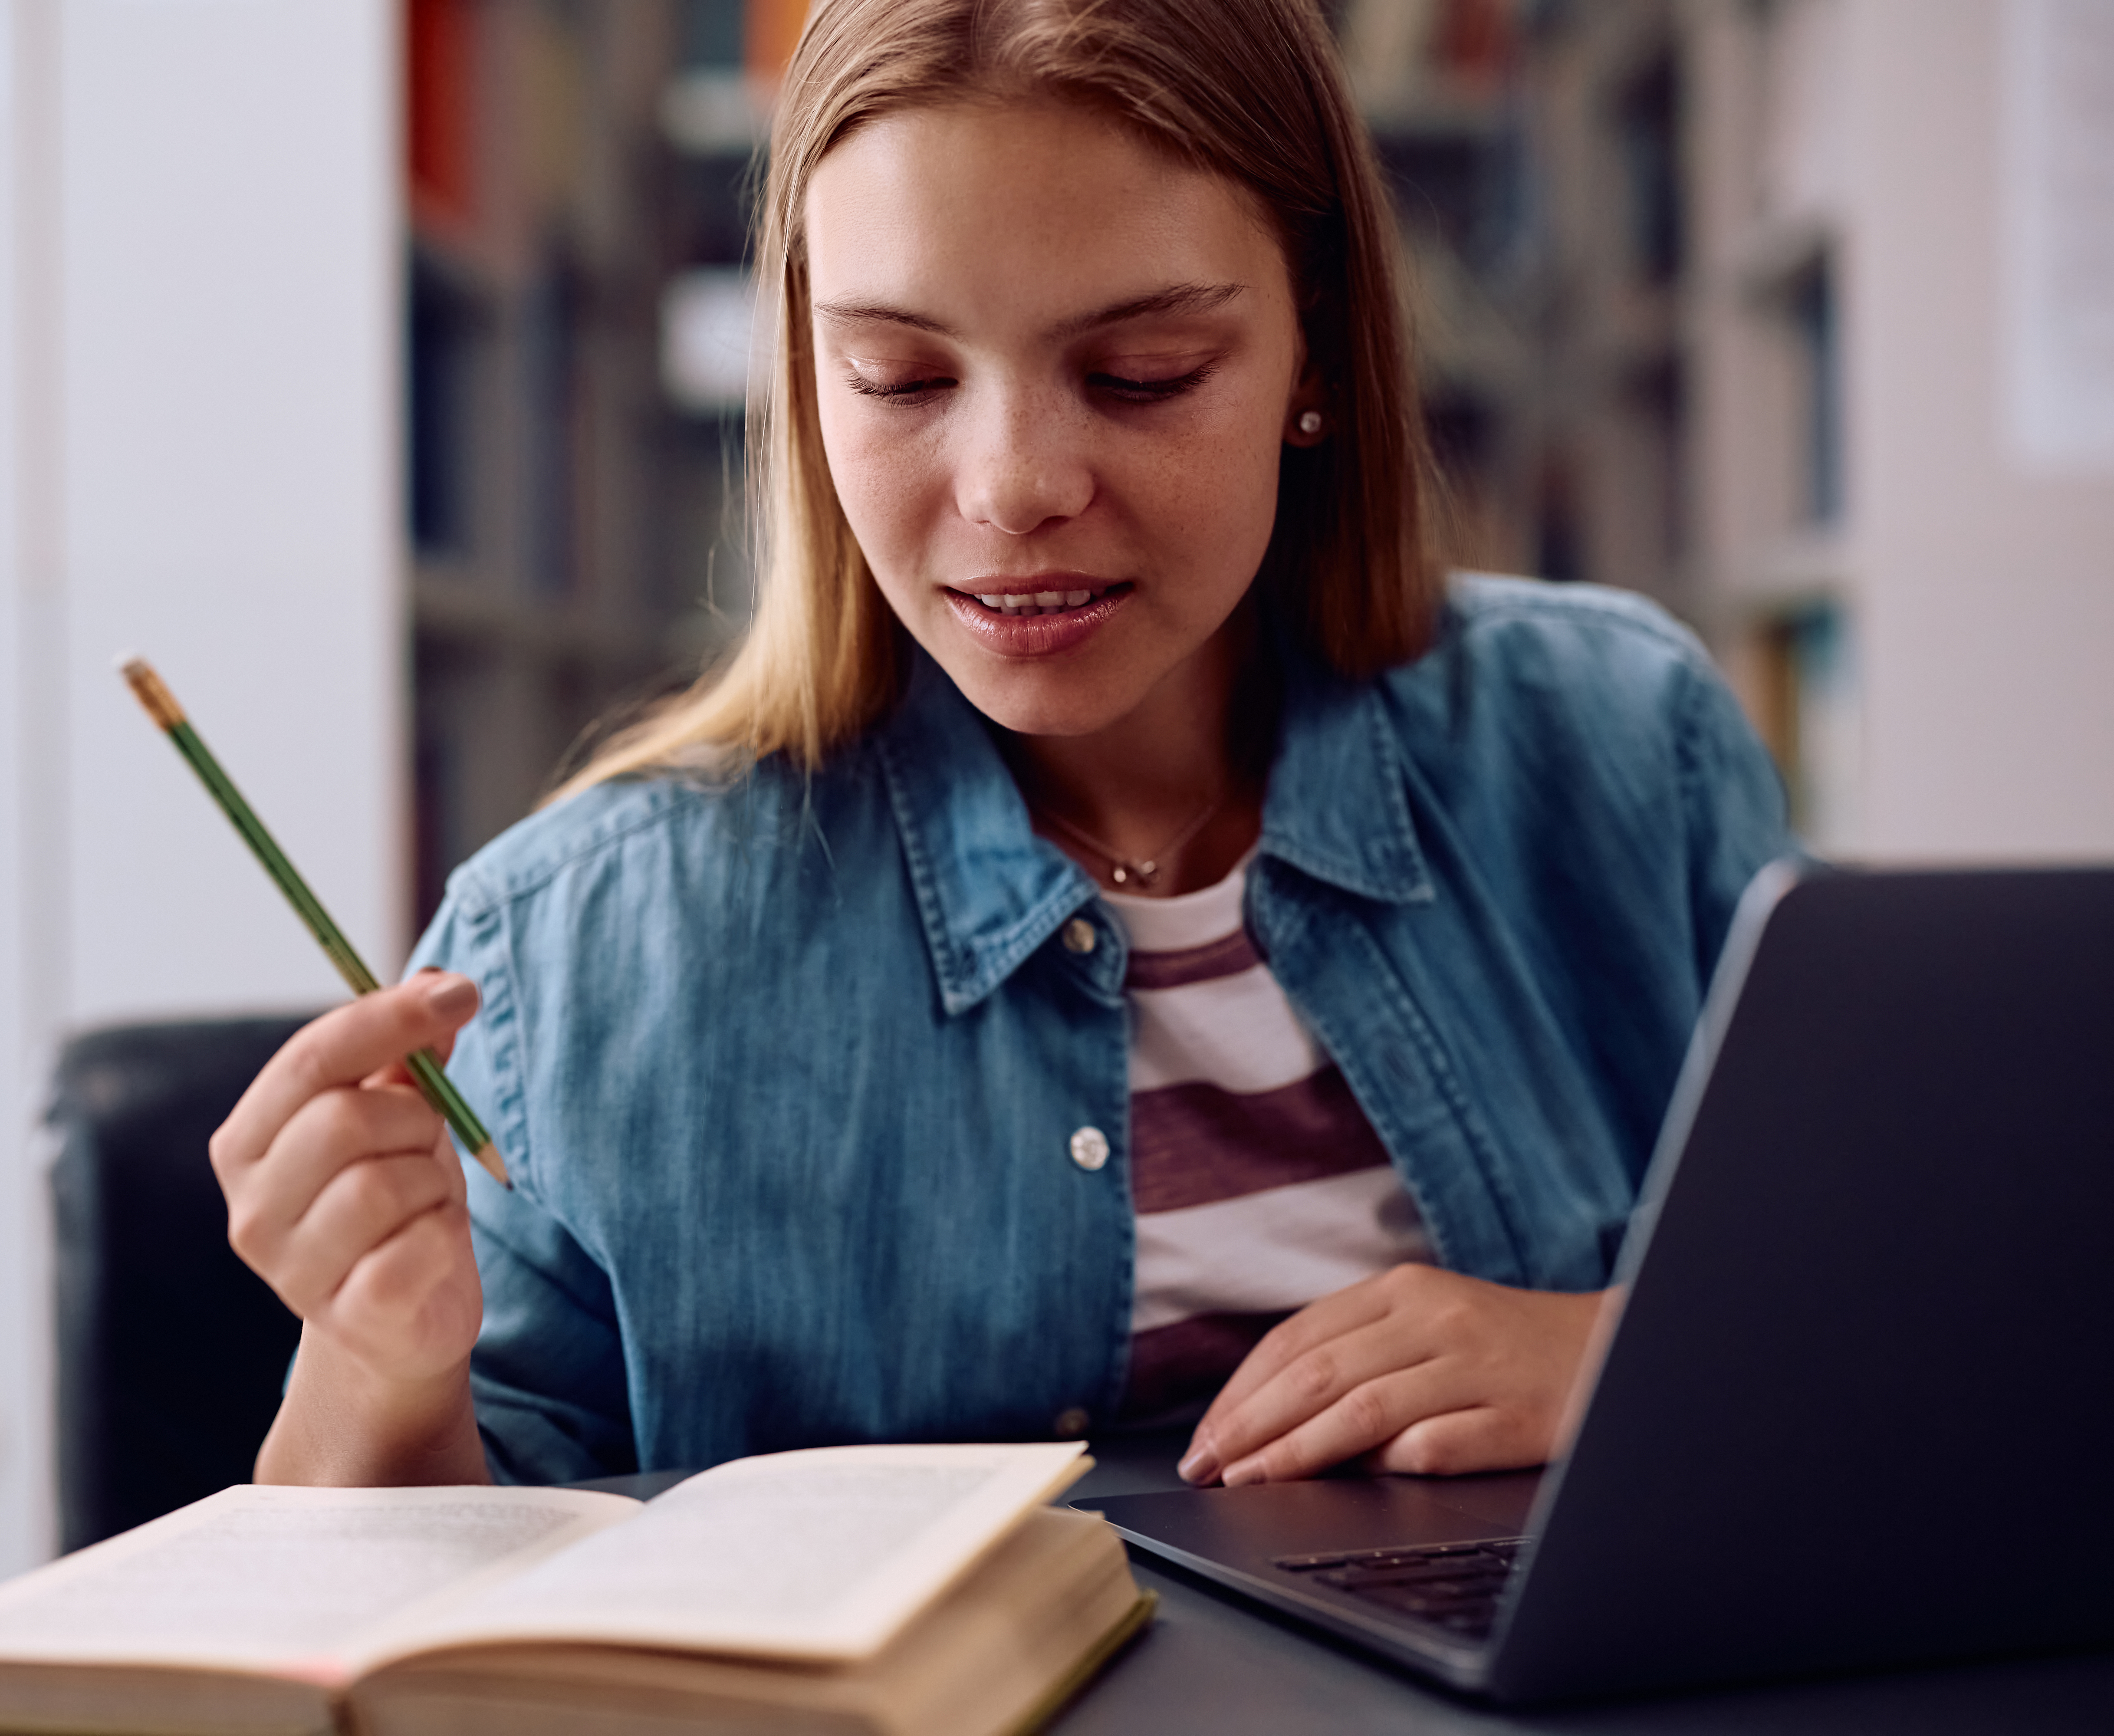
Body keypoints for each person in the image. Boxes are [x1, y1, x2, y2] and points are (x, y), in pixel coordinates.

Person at [211, 0, 1791, 1493]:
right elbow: (412, 1642)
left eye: (1142, 374)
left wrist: (1620, 1357)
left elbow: (1911, 1314)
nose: (1012, 484)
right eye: (898, 377)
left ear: (1314, 347)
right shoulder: (575, 955)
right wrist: (378, 1376)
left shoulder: (1620, 746)